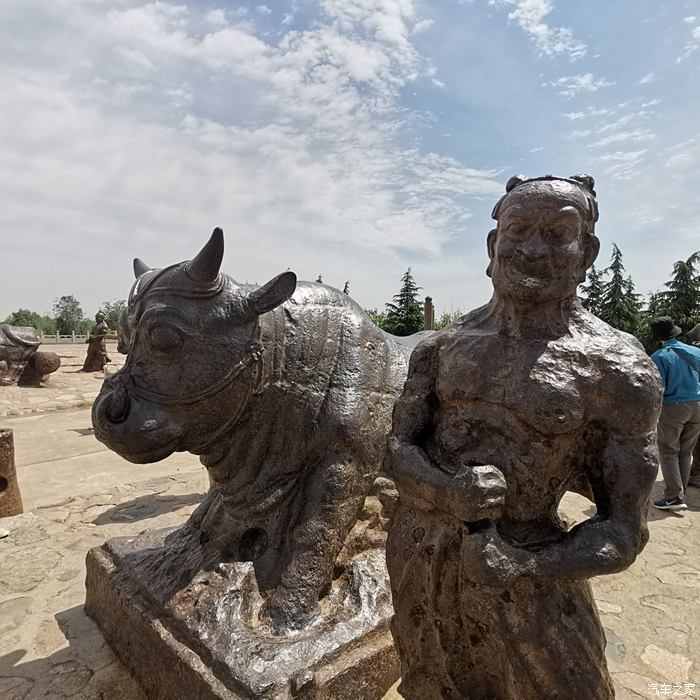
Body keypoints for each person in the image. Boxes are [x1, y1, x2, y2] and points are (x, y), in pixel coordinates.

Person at [385, 174, 661, 699]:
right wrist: (445, 491)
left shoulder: (617, 370)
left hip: (531, 584)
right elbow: (395, 449)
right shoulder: (444, 347)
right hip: (423, 562)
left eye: (558, 233)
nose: (533, 249)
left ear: (588, 251)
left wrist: (524, 565)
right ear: (494, 244)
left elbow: (623, 533)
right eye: (517, 230)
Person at [650, 316, 700, 509]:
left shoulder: (659, 357)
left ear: (658, 337)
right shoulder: (695, 351)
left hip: (674, 407)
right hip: (697, 405)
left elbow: (658, 387)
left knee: (668, 451)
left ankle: (673, 496)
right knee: (686, 451)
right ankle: (681, 492)